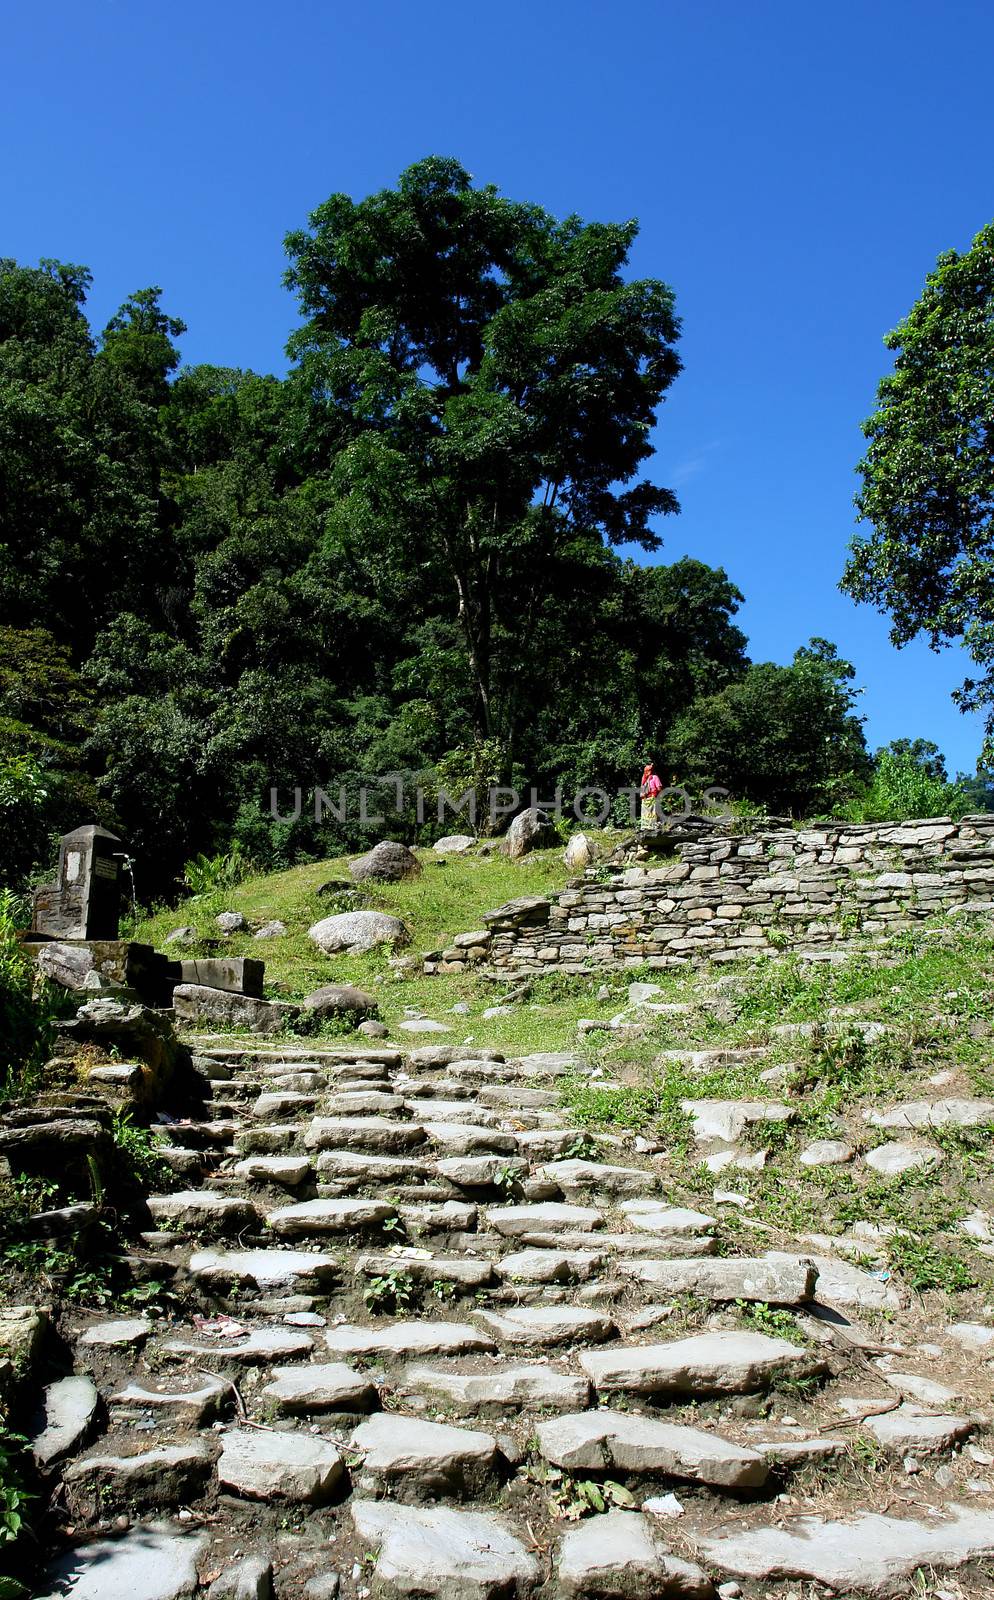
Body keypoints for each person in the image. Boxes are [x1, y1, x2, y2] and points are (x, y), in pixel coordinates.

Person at [640, 761, 663, 826]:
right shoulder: (655, 777)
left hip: (644, 799)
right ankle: (653, 826)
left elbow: (642, 789)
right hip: (653, 797)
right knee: (653, 812)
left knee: (646, 813)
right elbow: (659, 788)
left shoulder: (644, 778)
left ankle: (645, 826)